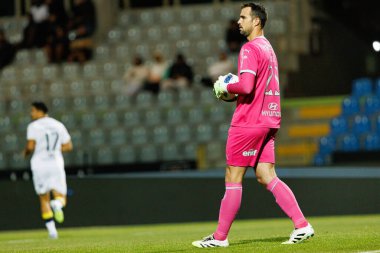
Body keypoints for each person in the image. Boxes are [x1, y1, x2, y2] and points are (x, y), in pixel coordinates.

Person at [192, 3, 314, 248]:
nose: (239, 21)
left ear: (256, 21)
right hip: (269, 119)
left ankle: (219, 238)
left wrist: (225, 87)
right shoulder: (268, 48)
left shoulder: (249, 48)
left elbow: (246, 87)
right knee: (266, 175)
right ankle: (302, 225)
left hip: (250, 121)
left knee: (233, 175)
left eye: (243, 17)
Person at [23, 101, 73, 239]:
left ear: (40, 111)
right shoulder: (58, 125)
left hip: (39, 164)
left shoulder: (33, 126)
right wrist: (56, 149)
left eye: (33, 110)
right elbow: (68, 146)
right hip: (55, 163)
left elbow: (31, 146)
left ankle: (52, 232)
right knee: (61, 196)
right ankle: (57, 204)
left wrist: (25, 152)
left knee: (43, 198)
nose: (31, 113)